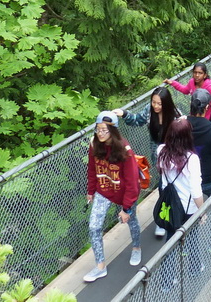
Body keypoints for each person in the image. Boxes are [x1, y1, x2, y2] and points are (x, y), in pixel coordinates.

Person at [114, 88, 180, 238]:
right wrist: (124, 114)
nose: (156, 106)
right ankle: (163, 219)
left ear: (166, 104)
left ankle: (168, 217)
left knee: (169, 186)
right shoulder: (149, 111)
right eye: (154, 102)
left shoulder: (175, 115)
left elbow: (183, 132)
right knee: (163, 185)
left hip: (173, 155)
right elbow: (138, 120)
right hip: (157, 155)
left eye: (159, 104)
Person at [84, 111, 142, 282]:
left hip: (125, 193)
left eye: (104, 130)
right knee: (94, 227)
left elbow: (132, 182)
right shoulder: (95, 144)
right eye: (98, 129)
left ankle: (137, 247)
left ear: (113, 131)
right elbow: (92, 169)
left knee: (131, 221)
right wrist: (91, 190)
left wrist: (126, 208)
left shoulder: (125, 150)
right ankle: (100, 266)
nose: (100, 133)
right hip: (104, 190)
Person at [156, 119, 204, 239]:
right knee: (192, 240)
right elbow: (195, 190)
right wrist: (202, 211)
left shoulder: (161, 151)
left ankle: (170, 257)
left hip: (170, 204)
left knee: (171, 238)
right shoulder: (191, 159)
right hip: (187, 208)